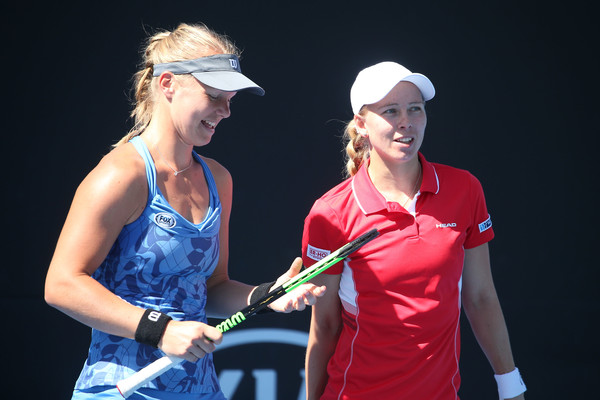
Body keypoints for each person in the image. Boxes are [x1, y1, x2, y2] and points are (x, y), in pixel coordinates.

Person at [44, 22, 325, 400]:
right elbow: (61, 284)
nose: (225, 111)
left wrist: (266, 295)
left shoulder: (218, 179)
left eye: (231, 99)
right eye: (214, 95)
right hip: (120, 391)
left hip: (202, 390)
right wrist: (160, 330)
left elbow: (212, 288)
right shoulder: (121, 175)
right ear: (168, 85)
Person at [302, 61, 526, 400]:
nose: (406, 122)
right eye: (390, 111)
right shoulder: (331, 212)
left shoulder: (465, 189)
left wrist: (511, 387)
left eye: (415, 109)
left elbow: (480, 298)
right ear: (361, 125)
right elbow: (325, 326)